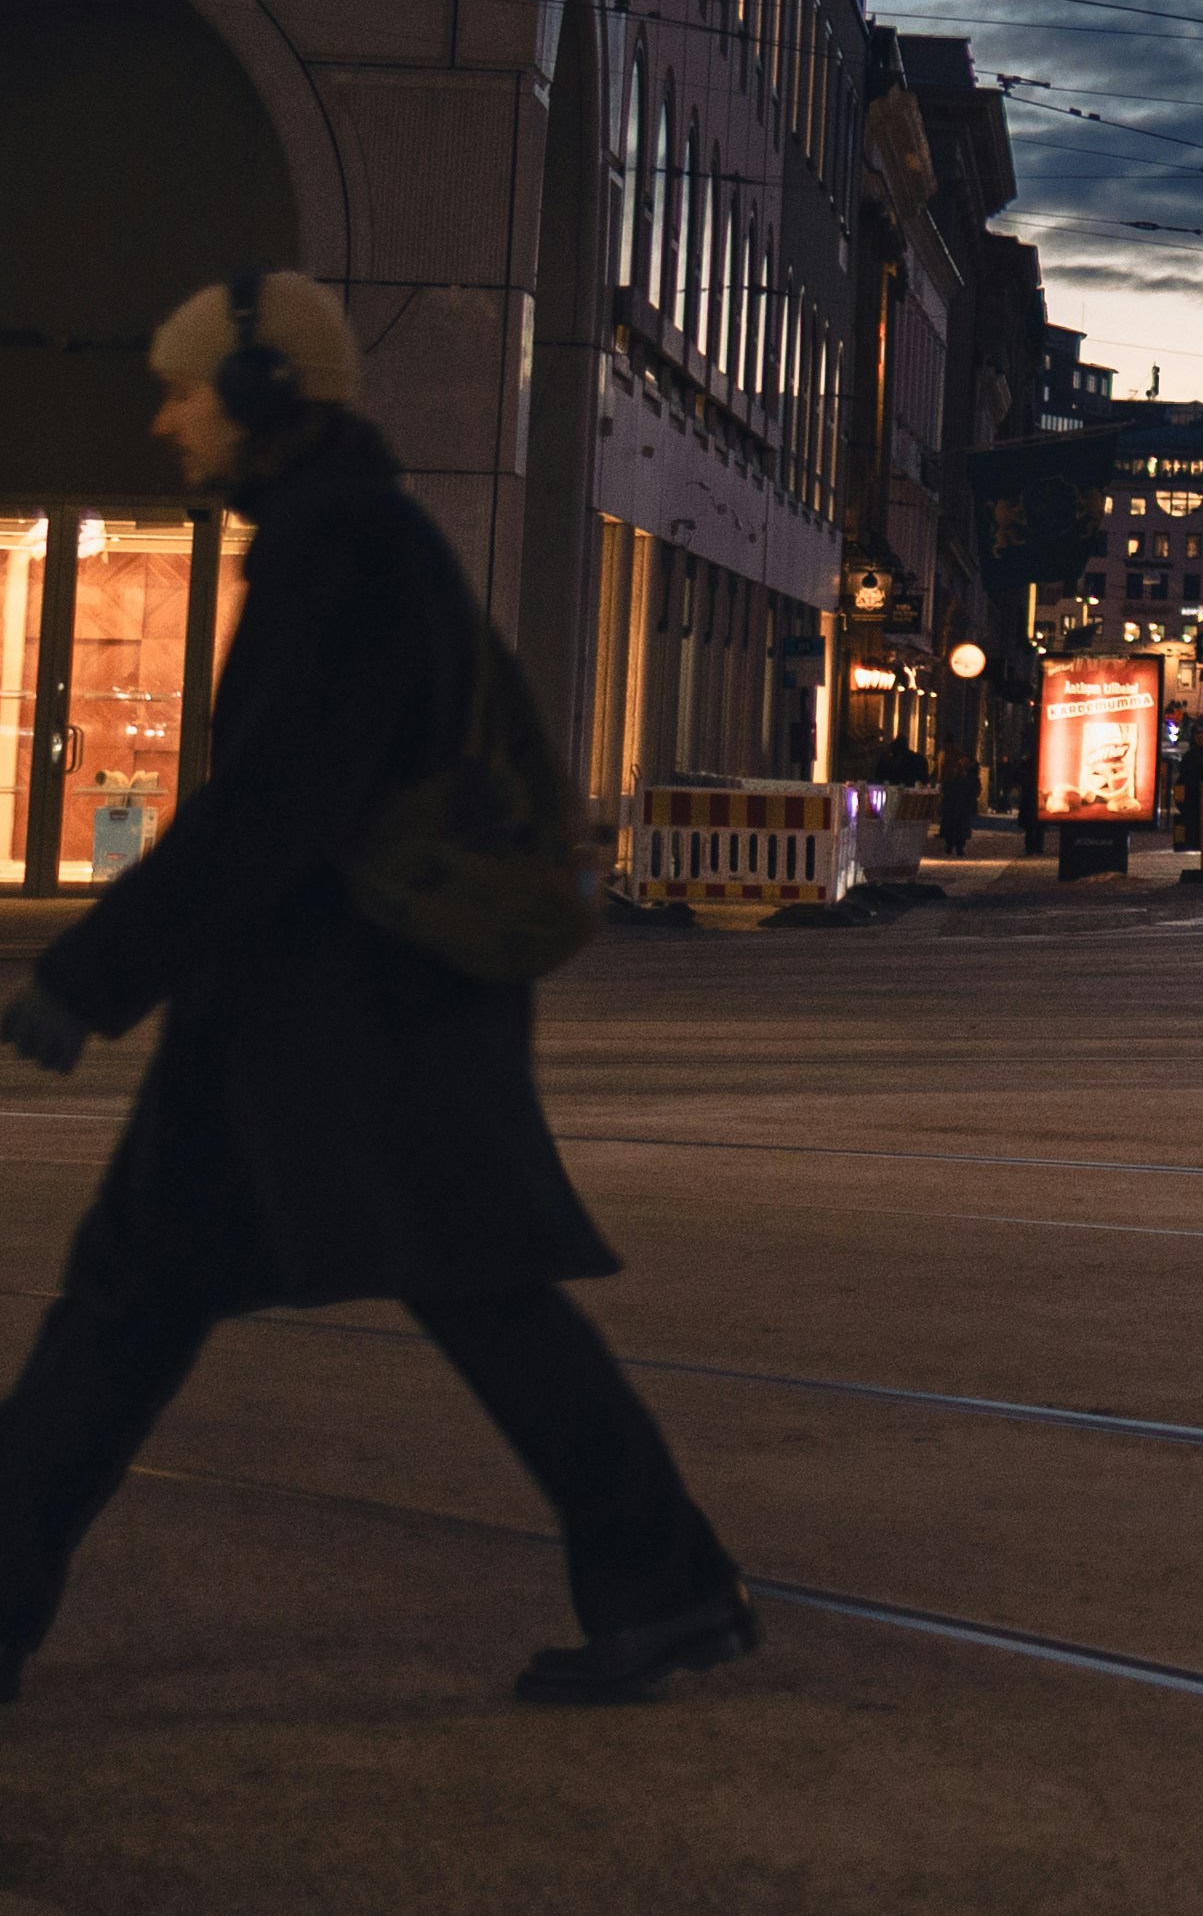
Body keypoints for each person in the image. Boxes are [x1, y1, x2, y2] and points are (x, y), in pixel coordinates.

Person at [0, 276, 753, 1703]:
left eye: (185, 387)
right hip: (360, 1013)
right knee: (169, 1308)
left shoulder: (336, 549)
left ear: (274, 392)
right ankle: (668, 1583)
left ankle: (672, 1581)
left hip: (343, 1021)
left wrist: (92, 974)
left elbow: (275, 801)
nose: (162, 416)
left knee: (149, 1313)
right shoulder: (355, 537)